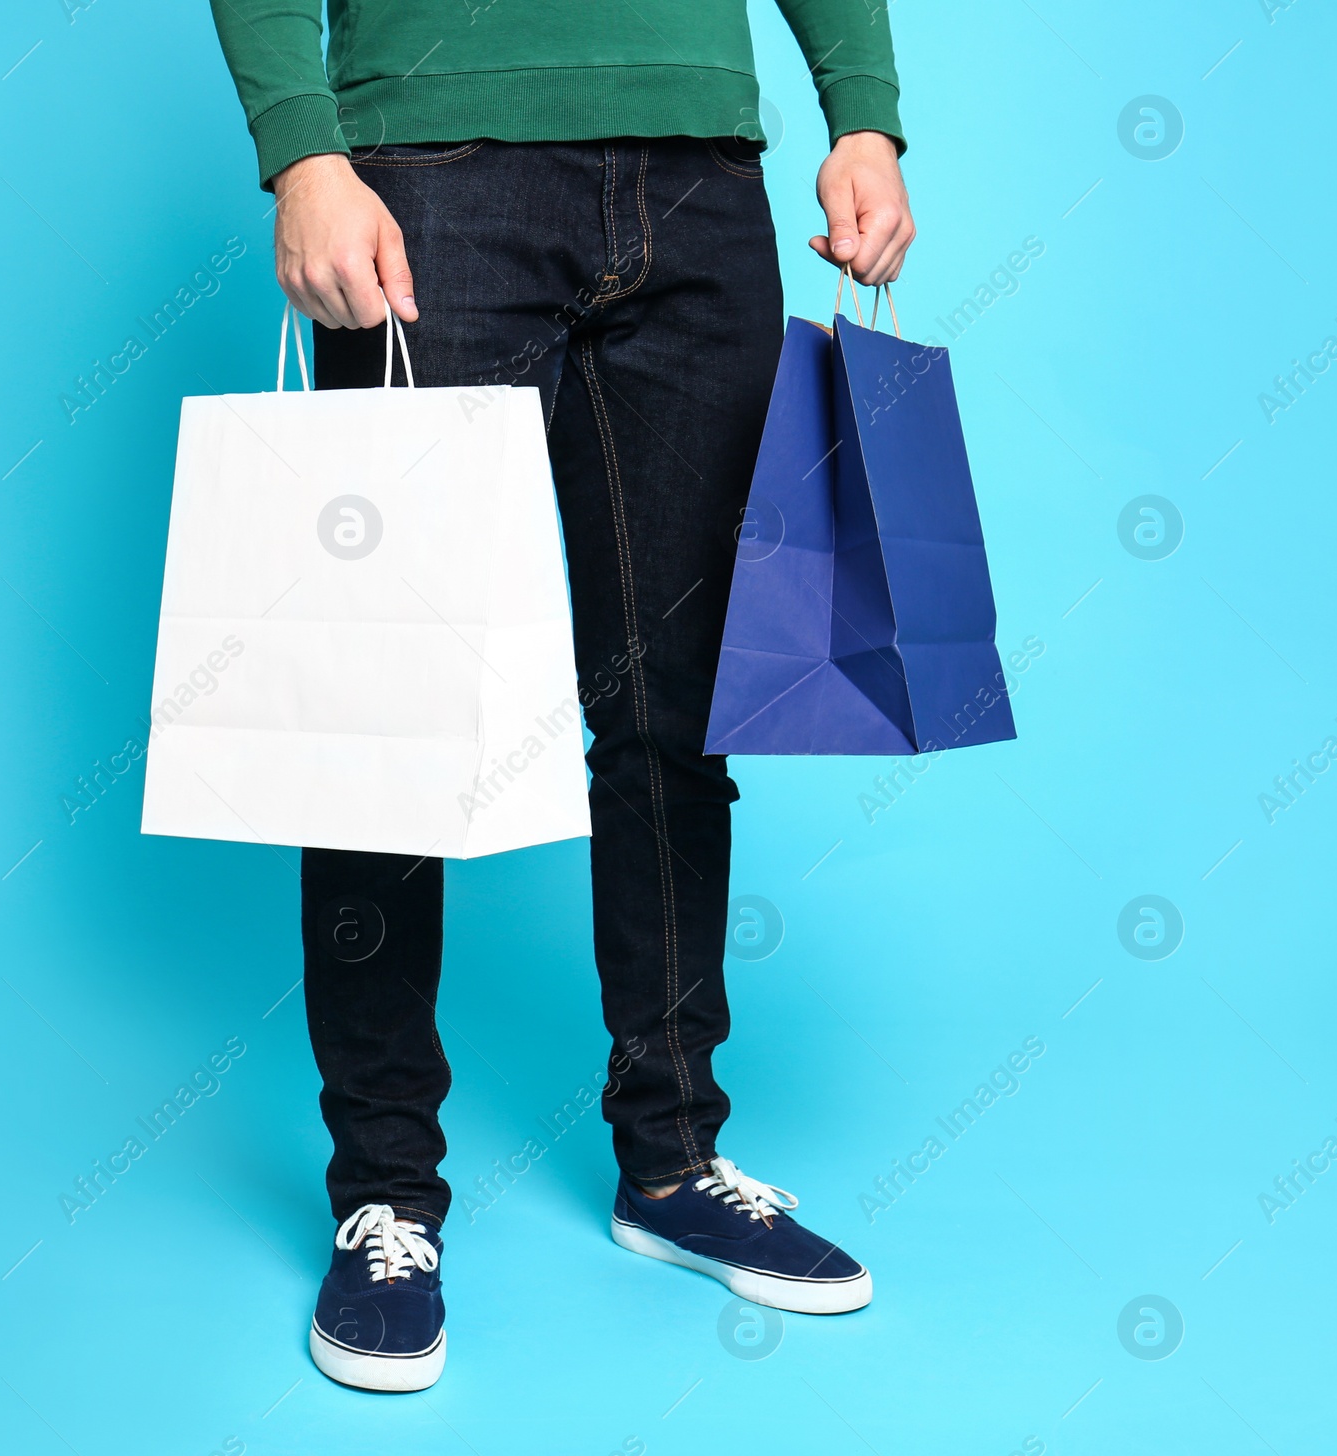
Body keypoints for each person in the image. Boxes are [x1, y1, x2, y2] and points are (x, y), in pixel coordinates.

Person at [209, 0, 915, 1392]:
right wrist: (303, 152)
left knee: (675, 711)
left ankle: (672, 1159)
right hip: (428, 172)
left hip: (703, 176)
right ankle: (387, 1200)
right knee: (387, 722)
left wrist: (866, 115)